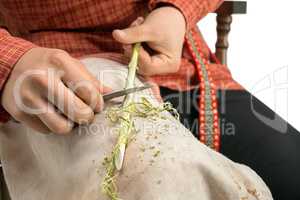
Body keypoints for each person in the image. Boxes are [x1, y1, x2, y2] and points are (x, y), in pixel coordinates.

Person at [0, 0, 299, 199]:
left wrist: (177, 11)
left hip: (184, 65)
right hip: (66, 74)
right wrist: (8, 62)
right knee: (156, 178)